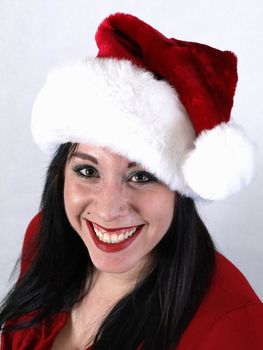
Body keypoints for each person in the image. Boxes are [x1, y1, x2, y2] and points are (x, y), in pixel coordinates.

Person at [0, 12, 262, 350]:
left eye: (141, 176)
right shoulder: (46, 240)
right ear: (60, 173)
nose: (109, 209)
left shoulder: (229, 327)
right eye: (88, 171)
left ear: (179, 192)